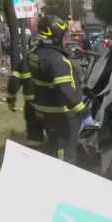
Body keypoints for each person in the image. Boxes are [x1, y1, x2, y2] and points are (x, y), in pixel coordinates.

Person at [30, 15, 86, 164]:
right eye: (64, 36)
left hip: (43, 110)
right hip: (61, 113)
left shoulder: (35, 53)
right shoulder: (58, 61)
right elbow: (67, 93)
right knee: (68, 147)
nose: (66, 39)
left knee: (53, 143)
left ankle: (50, 164)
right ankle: (66, 172)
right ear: (55, 35)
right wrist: (83, 110)